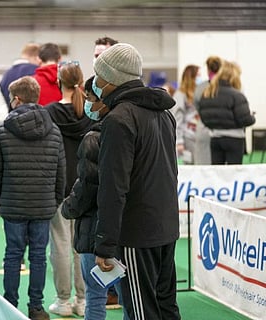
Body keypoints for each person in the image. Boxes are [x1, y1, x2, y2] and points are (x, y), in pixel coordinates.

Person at [93, 43, 181, 320]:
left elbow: (113, 186)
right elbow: (171, 172)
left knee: (143, 312)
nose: (95, 83)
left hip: (137, 232)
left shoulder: (118, 119)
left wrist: (105, 244)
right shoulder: (164, 115)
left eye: (98, 76)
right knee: (166, 307)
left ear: (111, 79)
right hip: (166, 226)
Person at [0, 76, 66, 320]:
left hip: (13, 205)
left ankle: (9, 306)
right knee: (39, 257)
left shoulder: (1, 132)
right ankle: (36, 307)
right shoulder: (53, 131)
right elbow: (60, 171)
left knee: (13, 256)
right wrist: (54, 201)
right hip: (43, 206)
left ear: (16, 100)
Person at [62, 75, 127, 320]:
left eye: (89, 98)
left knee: (95, 296)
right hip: (122, 230)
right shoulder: (124, 130)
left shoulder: (93, 138)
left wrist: (69, 207)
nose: (86, 103)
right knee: (127, 297)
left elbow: (87, 188)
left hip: (94, 231)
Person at [44, 61, 89, 317]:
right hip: (85, 186)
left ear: (58, 82)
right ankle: (83, 300)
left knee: (60, 244)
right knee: (80, 246)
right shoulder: (91, 114)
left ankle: (63, 300)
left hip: (59, 186)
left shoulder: (49, 113)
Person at [93, 34, 122, 310]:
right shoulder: (93, 99)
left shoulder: (118, 117)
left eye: (103, 55)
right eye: (95, 55)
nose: (98, 60)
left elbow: (116, 182)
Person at [197, 60, 255, 164]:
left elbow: (203, 117)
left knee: (217, 173)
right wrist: (252, 117)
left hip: (215, 138)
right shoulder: (237, 96)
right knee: (234, 172)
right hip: (234, 139)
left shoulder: (207, 93)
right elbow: (245, 120)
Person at [193, 56, 222, 165]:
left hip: (204, 128)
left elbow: (197, 107)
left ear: (208, 69)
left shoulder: (200, 88)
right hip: (221, 131)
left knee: (202, 168)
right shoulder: (227, 87)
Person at [171, 64, 200, 164]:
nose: (200, 78)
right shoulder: (180, 95)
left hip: (197, 136)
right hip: (187, 137)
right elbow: (177, 119)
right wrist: (179, 141)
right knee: (190, 166)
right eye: (198, 76)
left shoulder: (197, 93)